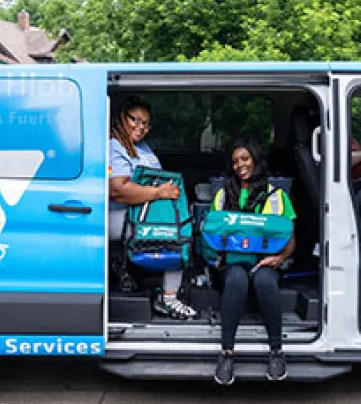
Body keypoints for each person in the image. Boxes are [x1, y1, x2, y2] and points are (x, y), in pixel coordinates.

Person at [211, 137, 295, 385]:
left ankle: (276, 352)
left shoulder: (277, 196)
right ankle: (227, 354)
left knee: (265, 281)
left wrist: (279, 258)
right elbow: (212, 235)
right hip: (232, 263)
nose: (240, 165)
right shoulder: (223, 195)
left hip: (265, 262)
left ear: (256, 161)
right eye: (235, 161)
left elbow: (290, 237)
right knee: (237, 279)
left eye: (245, 159)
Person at [109, 96, 197, 320]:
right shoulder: (113, 146)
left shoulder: (142, 147)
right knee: (176, 234)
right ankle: (168, 299)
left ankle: (168, 289)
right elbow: (118, 190)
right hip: (116, 214)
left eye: (146, 123)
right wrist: (159, 193)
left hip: (142, 211)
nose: (141, 127)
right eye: (135, 120)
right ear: (122, 117)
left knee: (183, 224)